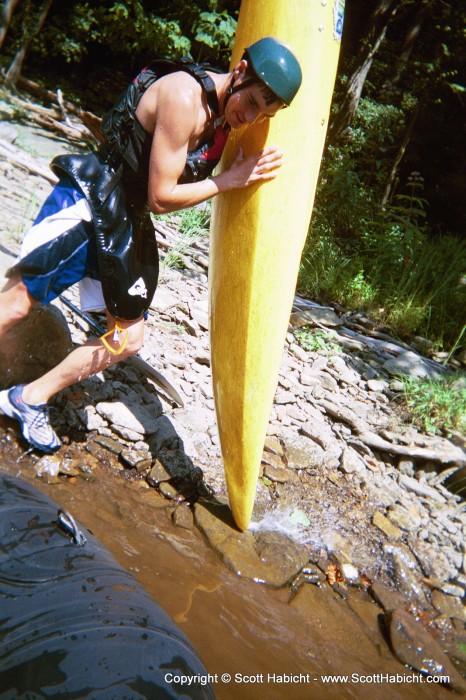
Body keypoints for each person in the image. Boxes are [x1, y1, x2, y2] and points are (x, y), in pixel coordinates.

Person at [0, 37, 302, 454]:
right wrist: (230, 181)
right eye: (251, 102)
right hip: (91, 198)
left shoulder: (226, 115)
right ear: (239, 72)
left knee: (127, 337)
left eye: (263, 114)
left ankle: (27, 398)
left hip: (126, 218)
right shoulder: (183, 97)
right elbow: (162, 196)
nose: (250, 117)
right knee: (15, 305)